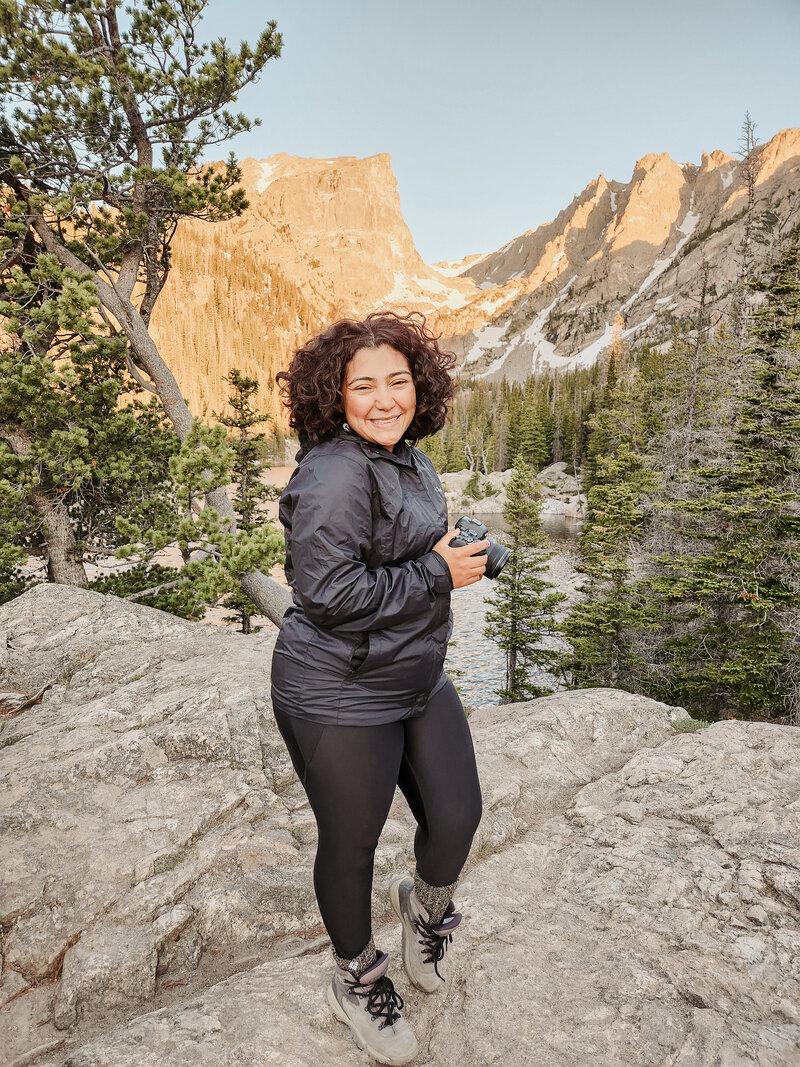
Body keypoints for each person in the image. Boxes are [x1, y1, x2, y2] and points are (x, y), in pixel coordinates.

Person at [272, 311, 485, 1065]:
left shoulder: (410, 457)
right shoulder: (332, 470)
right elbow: (327, 590)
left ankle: (422, 914)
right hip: (336, 687)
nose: (385, 397)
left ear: (417, 386)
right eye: (364, 385)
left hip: (411, 671)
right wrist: (436, 573)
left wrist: (461, 553)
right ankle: (356, 978)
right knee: (353, 840)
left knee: (457, 814)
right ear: (335, 396)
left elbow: (404, 545)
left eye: (398, 380)